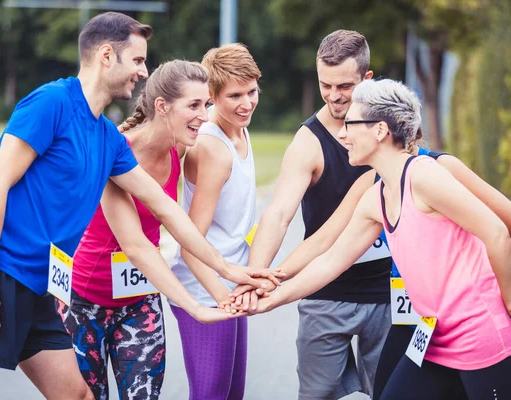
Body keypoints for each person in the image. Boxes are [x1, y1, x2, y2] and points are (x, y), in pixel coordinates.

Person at [0, 12, 274, 400]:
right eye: (137, 60)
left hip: (38, 286)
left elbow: (165, 213)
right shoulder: (52, 102)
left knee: (78, 395)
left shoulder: (108, 139)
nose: (143, 71)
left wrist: (224, 275)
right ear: (105, 56)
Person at [250, 78, 511, 399]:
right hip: (434, 335)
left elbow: (497, 232)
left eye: (350, 124)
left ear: (380, 130)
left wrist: (509, 301)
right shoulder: (377, 197)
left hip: (480, 334)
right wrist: (272, 298)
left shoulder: (425, 175)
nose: (342, 134)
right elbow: (331, 260)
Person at [62, 60, 241, 400]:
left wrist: (230, 274)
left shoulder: (179, 148)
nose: (204, 115)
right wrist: (193, 306)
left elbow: (176, 219)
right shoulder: (114, 150)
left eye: (206, 104)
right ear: (162, 106)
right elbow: (136, 245)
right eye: (193, 105)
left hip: (139, 301)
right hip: (86, 302)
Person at [238, 30, 390, 400]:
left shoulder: (392, 131)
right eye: (326, 85)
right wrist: (253, 278)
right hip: (325, 292)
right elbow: (278, 215)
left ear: (367, 79)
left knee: (392, 392)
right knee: (317, 395)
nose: (335, 95)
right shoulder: (309, 142)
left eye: (345, 86)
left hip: (389, 294)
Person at [169, 43, 261, 400]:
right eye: (234, 95)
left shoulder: (241, 129)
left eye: (252, 91)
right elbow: (191, 244)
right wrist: (224, 298)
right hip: (205, 289)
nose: (247, 103)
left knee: (231, 394)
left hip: (229, 282)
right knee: (210, 395)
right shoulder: (211, 147)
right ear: (211, 97)